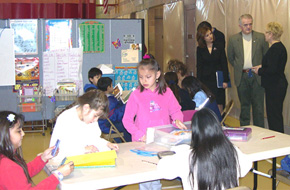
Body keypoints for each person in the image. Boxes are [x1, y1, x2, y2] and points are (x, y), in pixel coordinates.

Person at [122, 55, 186, 190]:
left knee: (157, 174)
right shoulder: (136, 95)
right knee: (145, 176)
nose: (144, 80)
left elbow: (176, 111)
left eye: (148, 77)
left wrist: (177, 120)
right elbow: (127, 120)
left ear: (157, 74)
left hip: (161, 140)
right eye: (141, 77)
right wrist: (139, 135)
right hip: (142, 142)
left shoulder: (167, 92)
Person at [157, 108, 252, 190]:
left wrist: (178, 152)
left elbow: (163, 170)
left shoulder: (187, 157)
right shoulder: (232, 151)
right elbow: (246, 166)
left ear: (195, 132)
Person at [0, 111, 74, 189]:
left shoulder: (7, 156)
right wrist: (58, 175)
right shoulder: (8, 166)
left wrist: (43, 158)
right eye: (18, 131)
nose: (23, 134)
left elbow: (22, 173)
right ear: (4, 135)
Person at [50, 90, 119, 160]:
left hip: (85, 161)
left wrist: (106, 144)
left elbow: (94, 139)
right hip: (65, 164)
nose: (96, 120)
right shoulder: (65, 119)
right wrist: (83, 150)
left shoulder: (90, 119)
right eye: (95, 116)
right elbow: (57, 152)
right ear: (86, 108)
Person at [227, 14, 269, 127]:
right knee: (244, 106)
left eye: (250, 24)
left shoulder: (260, 37)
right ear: (240, 26)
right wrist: (239, 67)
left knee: (258, 107)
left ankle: (260, 132)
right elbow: (230, 57)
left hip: (257, 76)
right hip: (242, 76)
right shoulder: (233, 39)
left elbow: (266, 56)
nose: (248, 27)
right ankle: (244, 130)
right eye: (245, 25)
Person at [252, 22, 288, 133]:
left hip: (275, 86)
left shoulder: (275, 49)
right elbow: (274, 66)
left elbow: (272, 70)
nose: (264, 34)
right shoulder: (278, 47)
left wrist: (259, 71)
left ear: (271, 34)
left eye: (266, 32)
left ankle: (278, 140)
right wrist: (262, 66)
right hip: (276, 85)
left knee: (274, 115)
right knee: (275, 114)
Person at [196, 24, 229, 113]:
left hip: (218, 79)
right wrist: (199, 83)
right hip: (206, 80)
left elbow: (224, 63)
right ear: (203, 38)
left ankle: (219, 122)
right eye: (207, 35)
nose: (210, 36)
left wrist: (226, 80)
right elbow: (199, 66)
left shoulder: (219, 46)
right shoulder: (200, 49)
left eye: (210, 34)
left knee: (219, 102)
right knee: (208, 103)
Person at [97, 77, 132, 142]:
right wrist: (126, 105)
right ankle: (129, 142)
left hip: (104, 123)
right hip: (107, 125)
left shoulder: (101, 97)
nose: (113, 87)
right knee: (128, 125)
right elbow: (116, 116)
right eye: (111, 85)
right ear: (108, 88)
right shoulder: (110, 101)